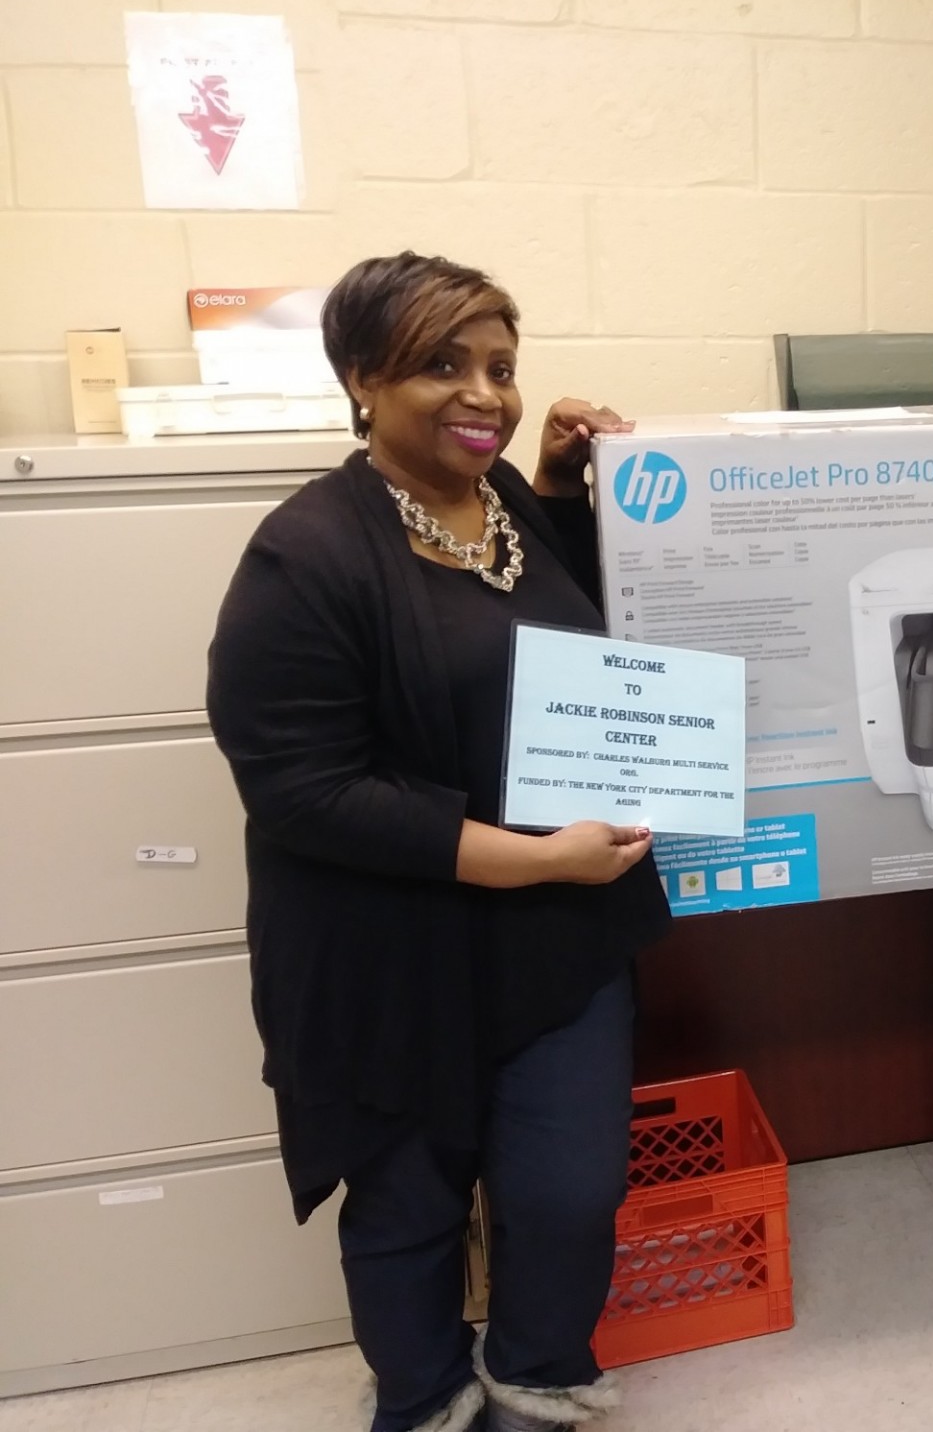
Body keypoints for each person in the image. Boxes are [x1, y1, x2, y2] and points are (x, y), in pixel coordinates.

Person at [207, 252, 670, 1432]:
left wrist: (567, 486)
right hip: (389, 949)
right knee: (408, 1202)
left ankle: (534, 1377)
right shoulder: (302, 555)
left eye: (502, 369)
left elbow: (551, 642)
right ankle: (421, 1398)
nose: (486, 396)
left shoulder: (508, 504)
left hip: (556, 937)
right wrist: (532, 859)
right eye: (442, 366)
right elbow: (304, 790)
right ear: (361, 378)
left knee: (569, 1190)